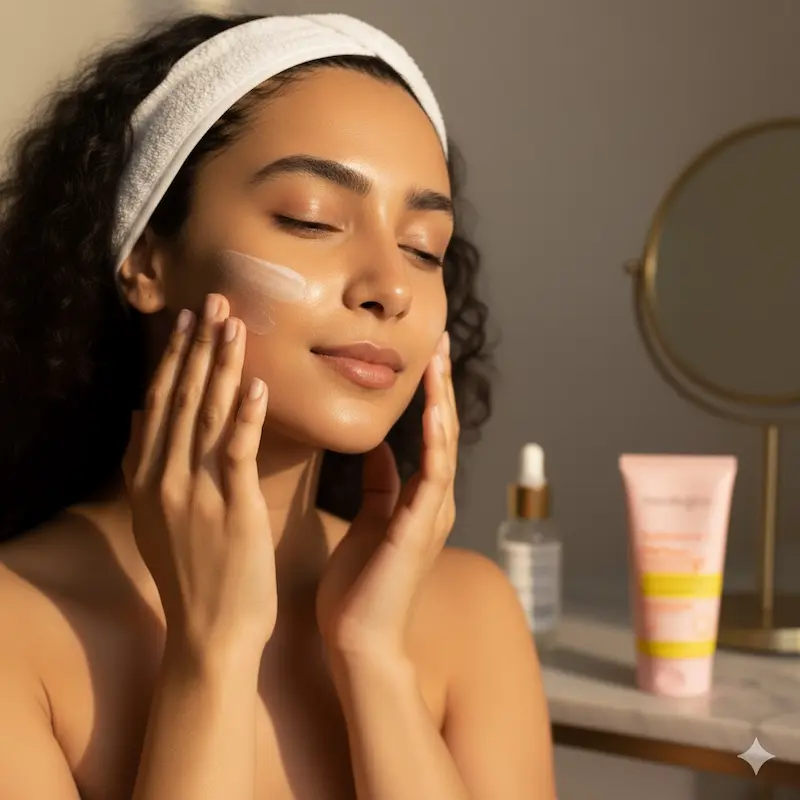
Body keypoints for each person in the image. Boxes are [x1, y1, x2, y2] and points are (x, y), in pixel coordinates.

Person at [0, 11, 556, 800]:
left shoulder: (470, 615)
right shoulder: (16, 632)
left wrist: (372, 661)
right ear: (146, 259)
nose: (391, 287)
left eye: (424, 247)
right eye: (312, 219)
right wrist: (212, 655)